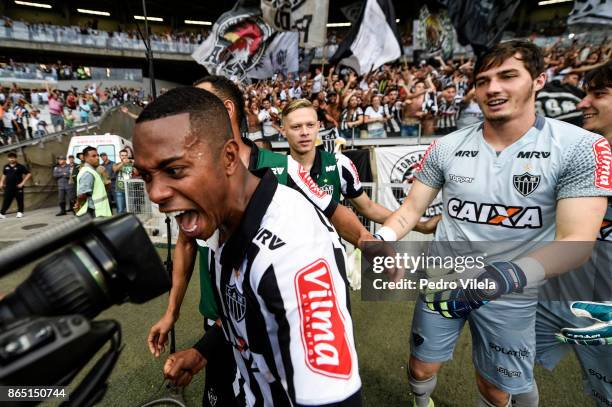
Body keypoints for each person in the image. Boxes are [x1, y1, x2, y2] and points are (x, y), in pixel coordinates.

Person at [371, 40, 611, 407]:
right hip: (445, 278)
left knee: (496, 389)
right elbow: (408, 212)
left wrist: (505, 276)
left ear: (539, 80)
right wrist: (383, 238)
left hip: (513, 292)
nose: (493, 88)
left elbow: (576, 241)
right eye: (483, 80)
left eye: (508, 76)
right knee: (420, 368)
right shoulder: (446, 147)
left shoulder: (580, 147)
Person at [147, 75, 372, 407]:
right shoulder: (193, 178)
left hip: (275, 319)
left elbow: (336, 214)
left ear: (225, 111)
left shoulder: (284, 169)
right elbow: (185, 241)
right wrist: (172, 312)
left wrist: (369, 244)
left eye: (192, 108)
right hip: (222, 321)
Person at [532, 60, 612, 407]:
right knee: (499, 363)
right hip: (561, 296)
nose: (582, 103)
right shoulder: (581, 153)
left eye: (598, 94)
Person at [75, 146, 111, 217]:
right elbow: (82, 195)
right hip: (93, 211)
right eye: (93, 156)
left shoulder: (93, 171)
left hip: (98, 210)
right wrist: (79, 205)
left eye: (97, 155)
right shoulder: (88, 173)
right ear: (85, 158)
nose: (97, 158)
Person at [0, 152, 31, 219]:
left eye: (13, 158)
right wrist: (1, 182)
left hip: (18, 186)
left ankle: (20, 212)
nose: (11, 159)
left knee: (19, 199)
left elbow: (28, 174)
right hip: (8, 187)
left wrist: (22, 183)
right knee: (6, 200)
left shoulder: (20, 166)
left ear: (15, 158)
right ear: (8, 158)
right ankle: (2, 213)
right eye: (10, 158)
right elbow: (4, 175)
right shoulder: (6, 166)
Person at [112, 149, 133, 214]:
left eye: (125, 155)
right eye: (122, 155)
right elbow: (115, 169)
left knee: (130, 210)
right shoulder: (116, 164)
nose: (124, 157)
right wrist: (123, 163)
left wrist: (132, 163)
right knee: (120, 210)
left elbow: (137, 172)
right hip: (119, 189)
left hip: (129, 190)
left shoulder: (131, 164)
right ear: (120, 156)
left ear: (127, 156)